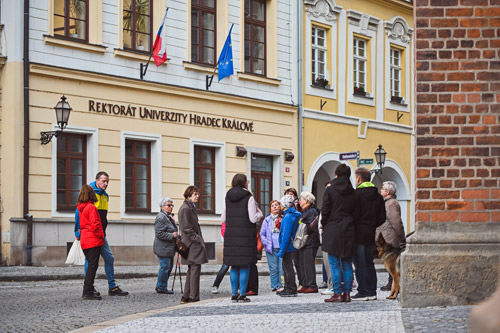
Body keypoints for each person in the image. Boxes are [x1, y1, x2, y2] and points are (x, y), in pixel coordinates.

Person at [74, 171, 128, 296]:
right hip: (94, 235)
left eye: (107, 181)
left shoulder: (105, 196)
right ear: (97, 181)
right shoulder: (90, 195)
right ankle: (89, 287)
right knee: (91, 261)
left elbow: (102, 218)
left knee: (108, 258)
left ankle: (112, 287)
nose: (106, 184)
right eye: (103, 181)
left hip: (101, 234)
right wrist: (77, 230)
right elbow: (79, 213)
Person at [222, 174, 263, 303]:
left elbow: (223, 218)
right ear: (244, 183)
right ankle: (243, 294)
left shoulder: (227, 196)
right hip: (245, 237)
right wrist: (259, 213)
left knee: (234, 266)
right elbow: (252, 218)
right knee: (245, 265)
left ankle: (234, 294)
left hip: (231, 236)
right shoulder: (248, 197)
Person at [321, 164, 358, 303]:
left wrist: (324, 224)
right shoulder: (353, 192)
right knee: (347, 263)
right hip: (349, 228)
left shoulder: (330, 191)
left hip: (333, 227)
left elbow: (325, 209)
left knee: (334, 263)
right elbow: (356, 212)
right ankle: (347, 293)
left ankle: (337, 293)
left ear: (336, 174)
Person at [352, 168, 386, 301]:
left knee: (360, 263)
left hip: (358, 233)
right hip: (370, 233)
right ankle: (372, 291)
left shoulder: (356, 195)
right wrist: (371, 224)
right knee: (369, 262)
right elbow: (382, 217)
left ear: (359, 179)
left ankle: (363, 291)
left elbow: (353, 214)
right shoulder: (378, 196)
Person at [178, 185, 208, 304]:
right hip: (191, 244)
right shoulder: (185, 208)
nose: (197, 196)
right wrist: (198, 239)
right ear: (188, 195)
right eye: (195, 194)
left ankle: (187, 296)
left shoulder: (189, 207)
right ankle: (193, 297)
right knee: (194, 269)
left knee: (192, 269)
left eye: (198, 194)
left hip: (192, 243)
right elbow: (186, 228)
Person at [376, 181, 406, 291]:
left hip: (390, 237)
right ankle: (391, 283)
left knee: (392, 261)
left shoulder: (391, 203)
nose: (381, 190)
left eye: (383, 189)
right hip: (387, 235)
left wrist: (401, 236)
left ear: (388, 191)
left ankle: (392, 284)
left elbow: (396, 221)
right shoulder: (388, 202)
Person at [77, 184, 105, 300]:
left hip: (85, 239)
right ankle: (87, 291)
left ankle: (89, 288)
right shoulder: (91, 207)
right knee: (93, 266)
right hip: (92, 239)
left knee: (91, 265)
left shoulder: (81, 208)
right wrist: (101, 237)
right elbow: (95, 225)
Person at [277, 194, 301, 297]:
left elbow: (286, 234)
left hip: (287, 245)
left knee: (287, 268)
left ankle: (290, 289)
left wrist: (282, 250)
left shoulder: (287, 217)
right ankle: (289, 287)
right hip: (291, 244)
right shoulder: (295, 215)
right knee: (288, 267)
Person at [153, 197, 178, 294]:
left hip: (168, 247)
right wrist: (172, 235)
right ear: (162, 206)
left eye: (172, 205)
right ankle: (161, 287)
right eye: (168, 205)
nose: (171, 207)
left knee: (168, 267)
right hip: (163, 247)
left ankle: (161, 285)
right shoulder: (161, 217)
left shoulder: (167, 216)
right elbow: (159, 233)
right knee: (164, 267)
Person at [297, 191, 320, 293]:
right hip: (304, 241)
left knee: (308, 263)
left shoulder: (312, 211)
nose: (299, 201)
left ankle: (312, 285)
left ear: (306, 201)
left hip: (310, 241)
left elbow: (311, 226)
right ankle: (306, 283)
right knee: (303, 263)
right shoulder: (304, 211)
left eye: (301, 199)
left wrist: (301, 227)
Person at [260, 200, 284, 292]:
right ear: (270, 208)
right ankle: (274, 286)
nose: (274, 207)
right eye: (272, 206)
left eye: (276, 205)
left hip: (282, 246)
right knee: (273, 268)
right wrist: (265, 242)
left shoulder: (283, 218)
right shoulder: (267, 219)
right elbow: (262, 233)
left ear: (280, 207)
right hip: (270, 247)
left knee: (281, 268)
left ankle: (282, 285)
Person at [284, 187, 304, 289]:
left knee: (296, 262)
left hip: (296, 238)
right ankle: (288, 284)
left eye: (291, 195)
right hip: (290, 239)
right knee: (288, 265)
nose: (289, 197)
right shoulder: (285, 211)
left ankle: (300, 282)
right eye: (287, 194)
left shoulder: (297, 209)